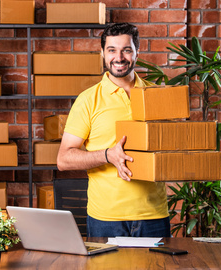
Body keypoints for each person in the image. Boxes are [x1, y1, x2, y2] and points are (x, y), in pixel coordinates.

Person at [57, 23, 171, 238]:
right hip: (106, 219)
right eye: (112, 50)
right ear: (102, 53)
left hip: (154, 215)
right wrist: (108, 155)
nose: (119, 57)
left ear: (137, 52)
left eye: (126, 50)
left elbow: (171, 148)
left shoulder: (157, 97)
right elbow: (63, 160)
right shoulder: (88, 100)